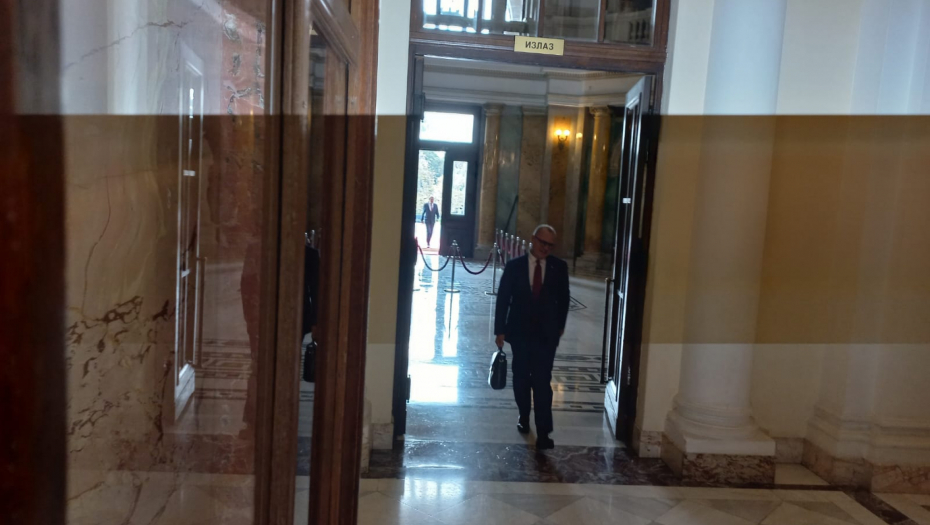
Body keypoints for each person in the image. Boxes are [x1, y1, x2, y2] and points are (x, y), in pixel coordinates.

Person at [494, 224, 570, 450]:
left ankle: (544, 432)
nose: (545, 248)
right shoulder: (514, 266)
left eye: (550, 245)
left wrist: (560, 326)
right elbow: (503, 298)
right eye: (542, 243)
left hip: (546, 335)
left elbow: (564, 299)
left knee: (542, 381)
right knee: (521, 378)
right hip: (520, 332)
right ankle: (524, 415)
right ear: (533, 240)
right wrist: (500, 330)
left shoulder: (559, 267)